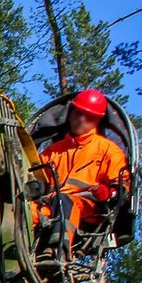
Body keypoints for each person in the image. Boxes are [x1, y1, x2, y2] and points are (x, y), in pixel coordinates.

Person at [38, 88, 129, 248]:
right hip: (50, 206)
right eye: (78, 114)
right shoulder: (52, 152)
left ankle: (58, 252)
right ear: (71, 113)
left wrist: (108, 193)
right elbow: (35, 180)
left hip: (88, 210)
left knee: (64, 201)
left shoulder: (108, 150)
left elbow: (122, 186)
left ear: (97, 120)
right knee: (22, 212)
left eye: (89, 117)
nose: (81, 120)